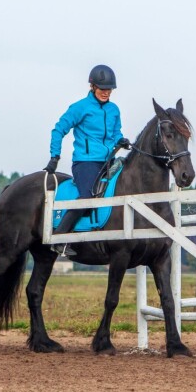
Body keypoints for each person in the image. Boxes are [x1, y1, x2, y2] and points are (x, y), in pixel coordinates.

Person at [43, 64, 130, 256]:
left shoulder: (114, 109)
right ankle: (59, 238)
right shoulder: (80, 108)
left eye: (109, 89)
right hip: (86, 162)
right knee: (87, 198)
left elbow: (115, 133)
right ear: (92, 86)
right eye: (102, 89)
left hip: (109, 161)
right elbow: (58, 130)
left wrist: (121, 140)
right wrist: (54, 156)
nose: (106, 93)